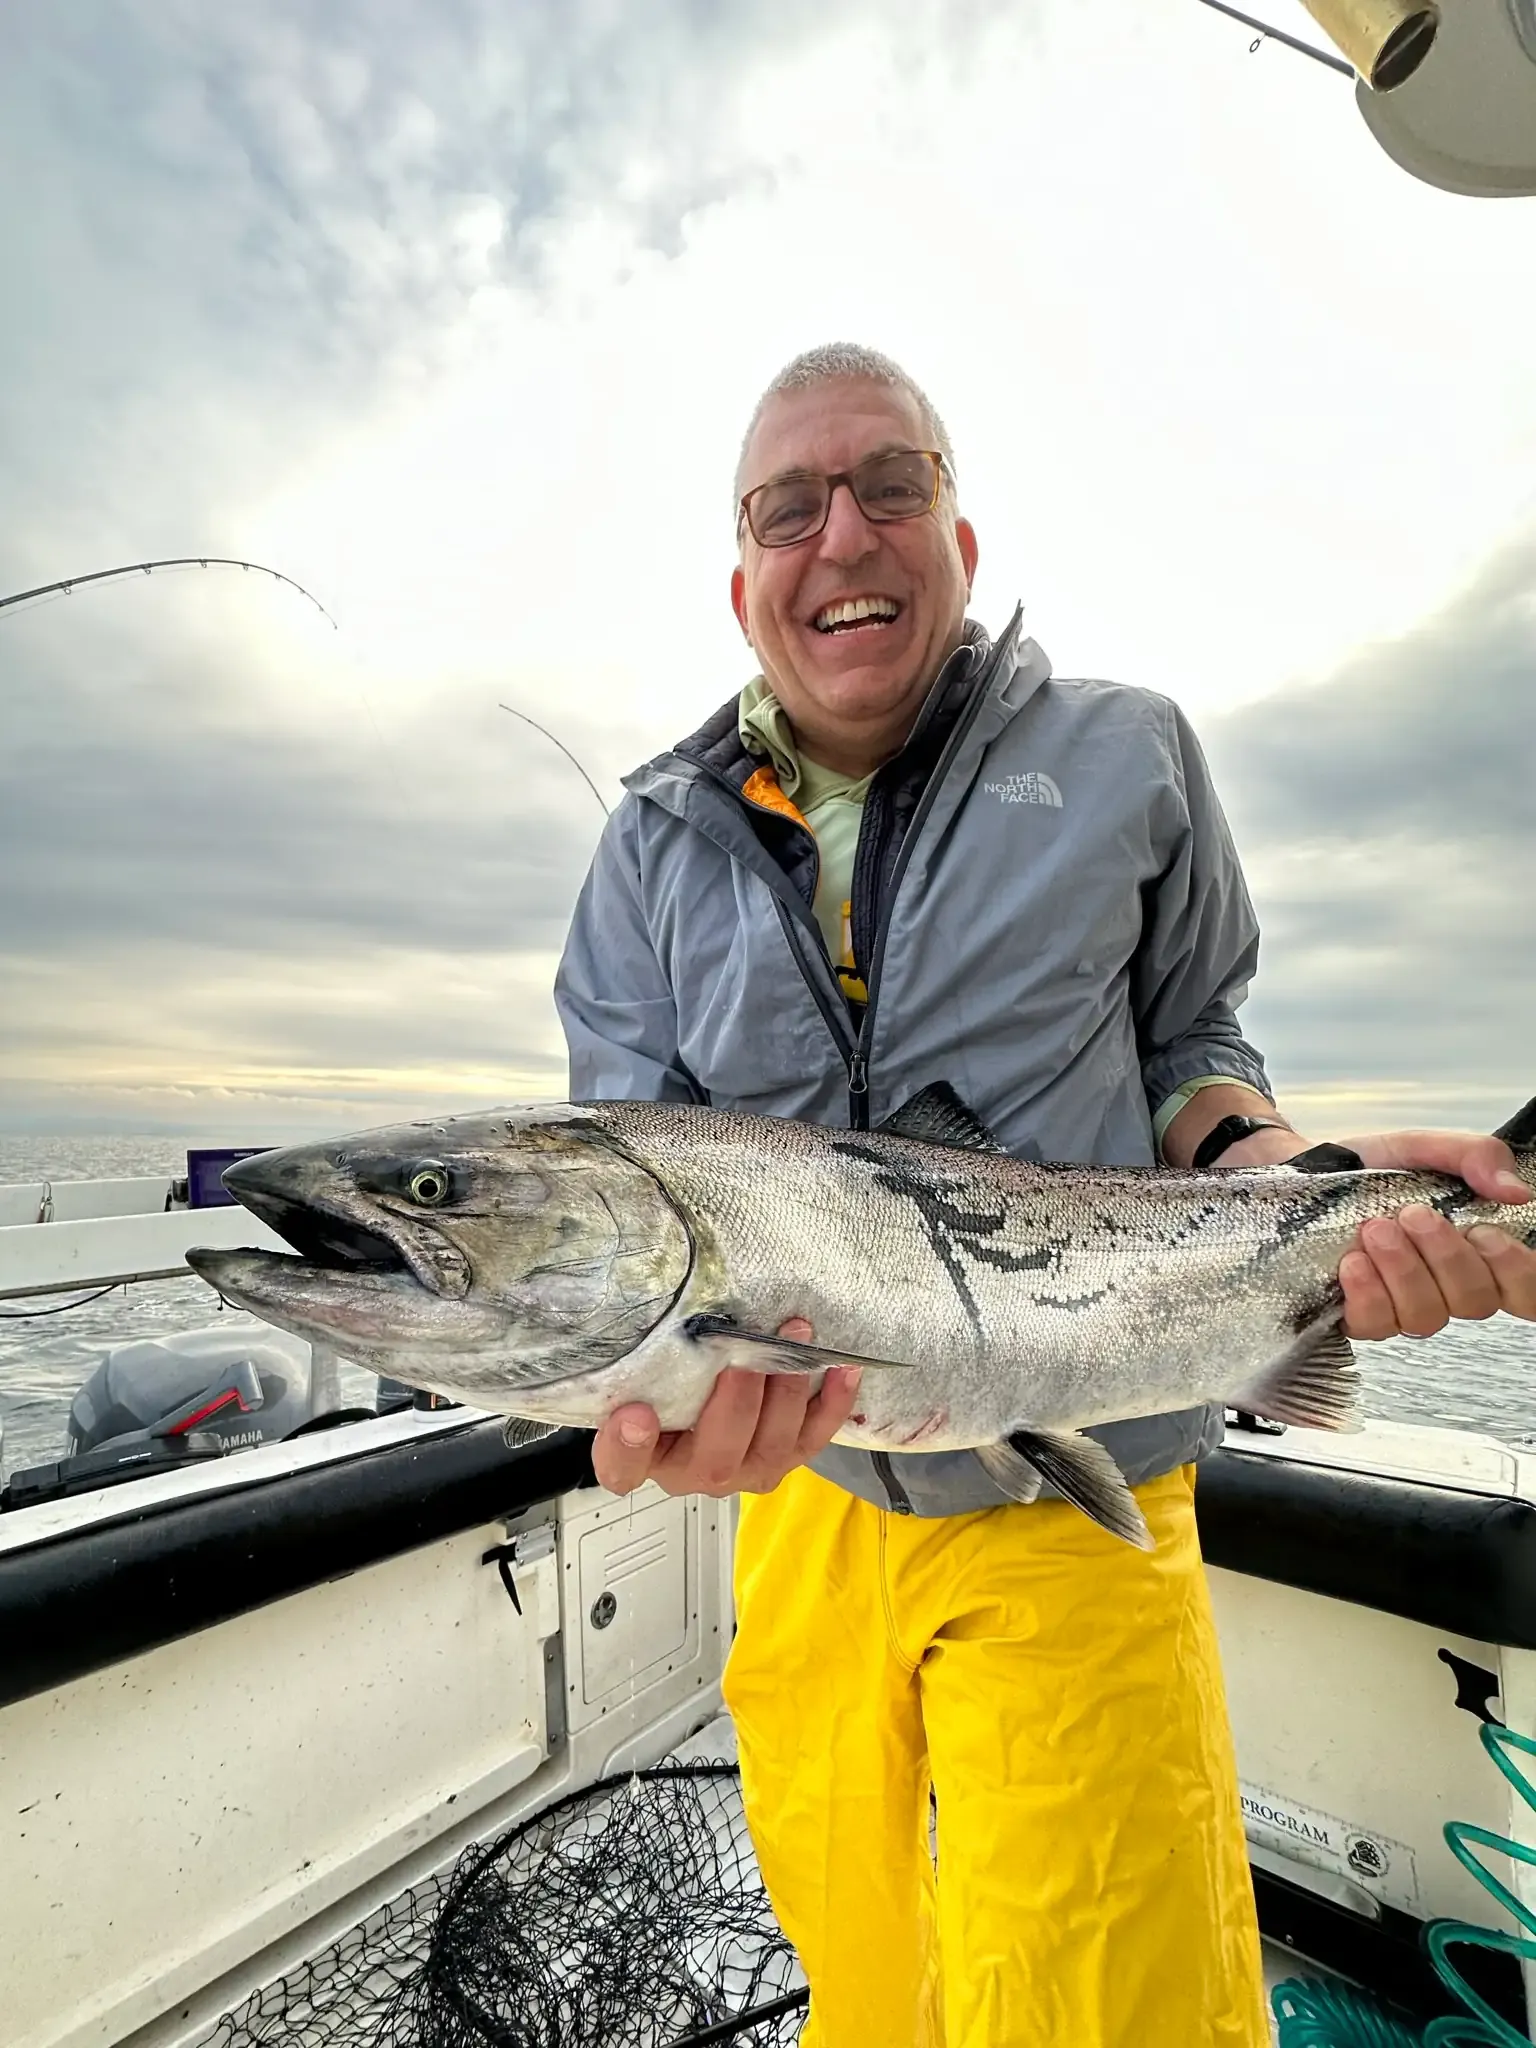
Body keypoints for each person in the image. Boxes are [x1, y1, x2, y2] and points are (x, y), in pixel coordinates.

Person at [553, 342, 1536, 2047]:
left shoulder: (1128, 755)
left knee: (1111, 2003)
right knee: (864, 1983)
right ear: (740, 580)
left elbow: (1192, 1055)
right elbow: (632, 1152)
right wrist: (653, 1393)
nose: (841, 535)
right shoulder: (650, 842)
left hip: (1084, 1489)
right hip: (804, 1509)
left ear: (962, 537)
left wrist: (1296, 1183)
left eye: (891, 486)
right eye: (790, 508)